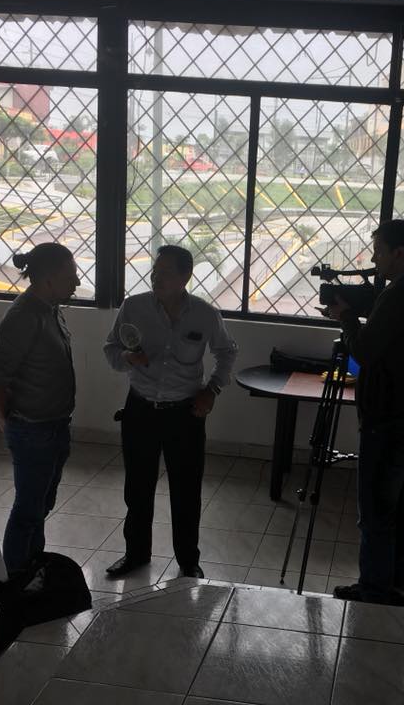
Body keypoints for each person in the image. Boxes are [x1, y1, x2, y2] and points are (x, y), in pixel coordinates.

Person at [103, 245, 237, 579]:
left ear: (185, 277)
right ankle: (136, 554)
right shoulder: (134, 307)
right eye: (155, 271)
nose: (156, 278)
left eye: (165, 273)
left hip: (185, 414)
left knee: (186, 489)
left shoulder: (204, 314)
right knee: (137, 487)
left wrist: (212, 390)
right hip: (141, 409)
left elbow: (226, 352)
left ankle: (188, 561)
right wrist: (126, 358)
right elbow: (111, 347)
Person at [326, 219, 404, 606]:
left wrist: (347, 318)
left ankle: (374, 590)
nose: (374, 259)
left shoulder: (400, 293)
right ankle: (394, 585)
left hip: (386, 418)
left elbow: (364, 351)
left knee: (377, 509)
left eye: (379, 251)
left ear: (400, 253)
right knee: (403, 506)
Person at [0, 242, 80, 575]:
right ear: (48, 279)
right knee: (28, 511)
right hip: (33, 430)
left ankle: (32, 568)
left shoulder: (50, 308)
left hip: (55, 425)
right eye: (70, 276)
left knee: (41, 506)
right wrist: (7, 421)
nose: (77, 282)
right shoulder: (23, 317)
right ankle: (15, 581)